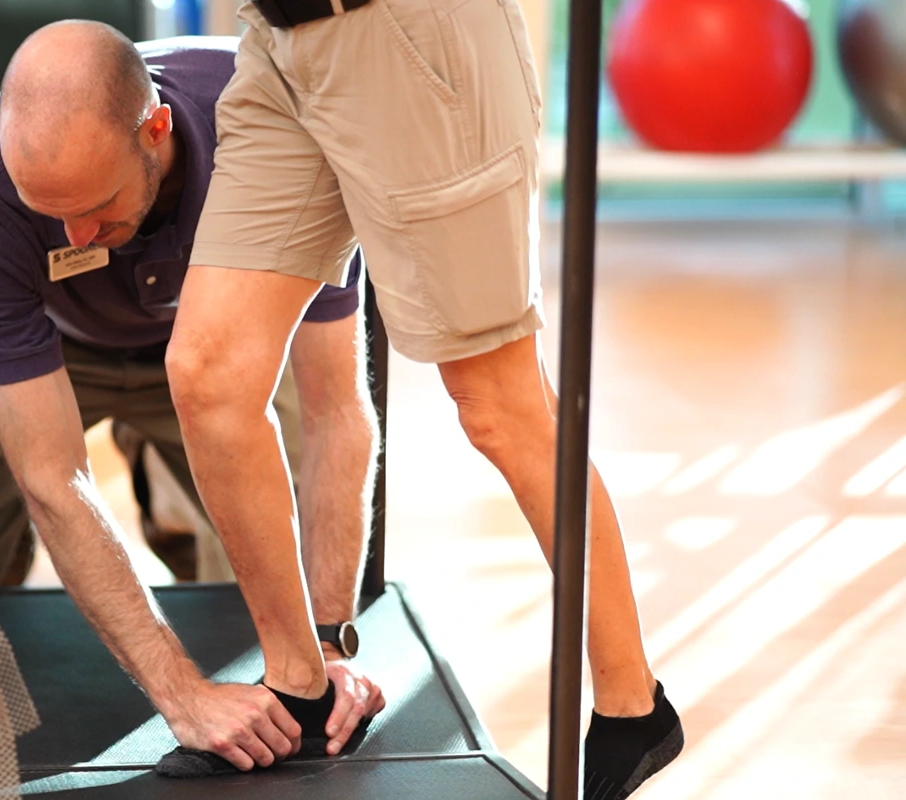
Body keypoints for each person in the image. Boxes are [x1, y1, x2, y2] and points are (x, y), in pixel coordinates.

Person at [163, 0, 684, 796]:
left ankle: (631, 705)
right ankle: (300, 681)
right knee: (209, 371)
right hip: (275, 40)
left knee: (498, 406)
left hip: (408, 31)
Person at [0, 20, 385, 772]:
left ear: (155, 130)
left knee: (264, 603)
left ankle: (192, 528)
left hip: (226, 348)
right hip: (51, 346)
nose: (77, 230)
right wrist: (181, 695)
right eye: (52, 212)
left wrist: (327, 634)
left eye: (96, 204)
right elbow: (54, 478)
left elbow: (335, 411)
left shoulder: (278, 131)